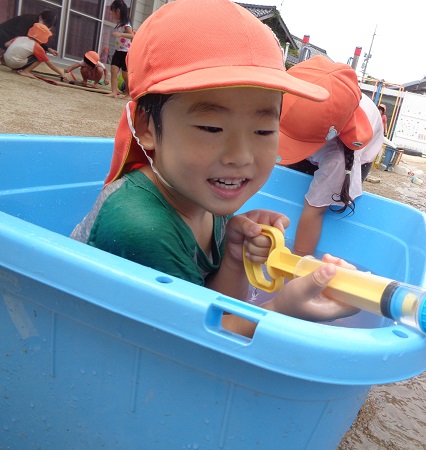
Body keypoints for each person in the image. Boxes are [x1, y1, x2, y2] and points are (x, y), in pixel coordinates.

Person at [70, 0, 359, 337]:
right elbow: (192, 345)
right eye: (212, 128)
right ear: (146, 127)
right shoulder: (141, 226)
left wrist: (236, 257)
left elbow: (215, 309)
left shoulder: (203, 194)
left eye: (263, 131)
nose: (241, 156)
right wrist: (282, 312)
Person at [277, 56, 373, 257]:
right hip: (322, 137)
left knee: (320, 203)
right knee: (290, 182)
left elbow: (314, 212)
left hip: (348, 155)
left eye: (295, 142)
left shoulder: (339, 157)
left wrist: (296, 261)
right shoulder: (287, 102)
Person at [105, 0, 133, 98]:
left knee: (125, 74)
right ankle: (114, 92)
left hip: (126, 52)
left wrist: (120, 34)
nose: (112, 14)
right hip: (118, 51)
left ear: (118, 11)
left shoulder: (126, 24)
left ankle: (128, 92)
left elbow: (132, 35)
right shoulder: (119, 23)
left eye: (113, 12)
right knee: (113, 70)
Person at [357, 94, 385, 181]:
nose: (380, 111)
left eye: (381, 110)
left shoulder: (376, 118)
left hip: (365, 154)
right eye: (379, 109)